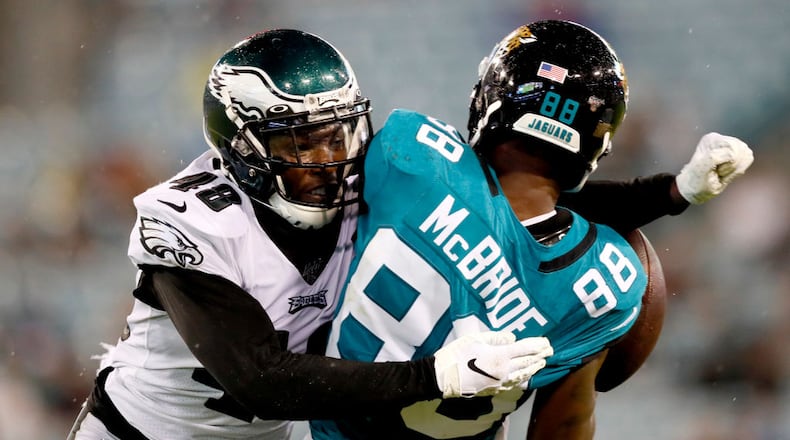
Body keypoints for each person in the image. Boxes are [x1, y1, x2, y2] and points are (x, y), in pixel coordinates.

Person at [68, 27, 750, 440]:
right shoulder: (192, 224)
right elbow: (259, 379)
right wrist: (433, 376)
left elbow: (513, 205)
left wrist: (670, 193)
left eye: (338, 132)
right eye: (301, 143)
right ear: (241, 147)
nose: (329, 158)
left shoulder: (371, 176)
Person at [309, 20, 753, 439]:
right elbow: (563, 427)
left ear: (495, 99)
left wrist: (670, 193)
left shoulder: (412, 151)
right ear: (595, 142)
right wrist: (671, 194)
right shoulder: (602, 281)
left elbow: (489, 201)